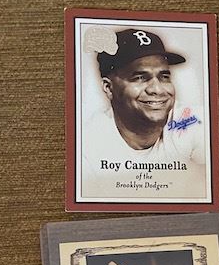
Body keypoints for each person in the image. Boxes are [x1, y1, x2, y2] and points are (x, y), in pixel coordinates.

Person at [82, 27, 205, 198]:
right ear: (109, 88)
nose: (157, 89)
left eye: (164, 77)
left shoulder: (195, 121)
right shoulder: (86, 147)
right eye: (140, 78)